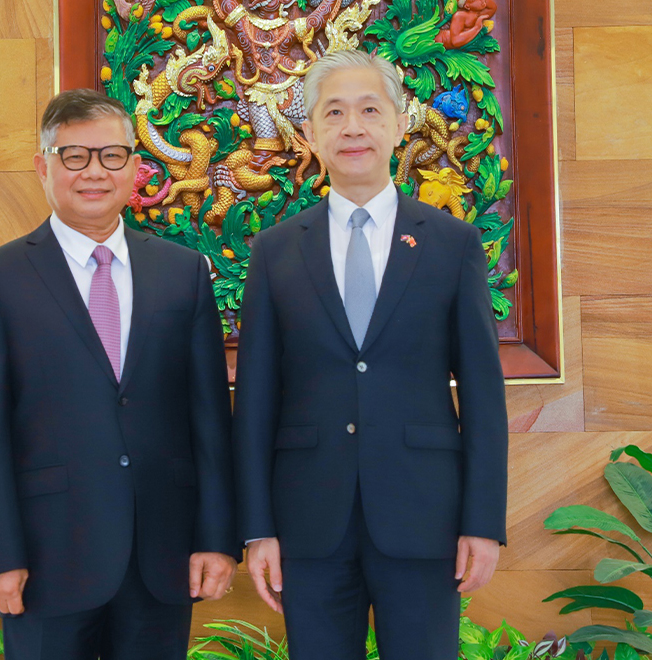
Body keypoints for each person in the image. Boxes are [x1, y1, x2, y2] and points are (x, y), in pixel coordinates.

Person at [232, 50, 508, 659]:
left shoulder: (453, 244)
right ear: (310, 133)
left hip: (425, 517)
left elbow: (484, 396)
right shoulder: (275, 250)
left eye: (369, 110)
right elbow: (254, 401)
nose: (352, 127)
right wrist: (256, 528)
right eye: (333, 113)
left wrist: (483, 522)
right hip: (307, 521)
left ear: (400, 123)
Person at [0, 88, 239, 660]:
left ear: (134, 166)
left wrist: (216, 539)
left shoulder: (182, 273)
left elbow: (209, 419)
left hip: (162, 556)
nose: (94, 172)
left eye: (111, 155)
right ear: (43, 167)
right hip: (46, 559)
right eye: (74, 156)